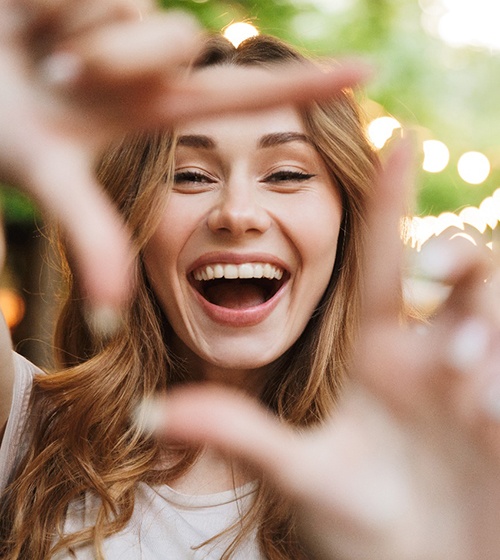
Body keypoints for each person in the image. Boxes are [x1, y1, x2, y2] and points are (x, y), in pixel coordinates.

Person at [0, 4, 375, 558]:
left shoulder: (415, 470)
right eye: (190, 175)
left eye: (288, 174)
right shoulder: (31, 429)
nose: (237, 213)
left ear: (346, 223)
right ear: (133, 219)